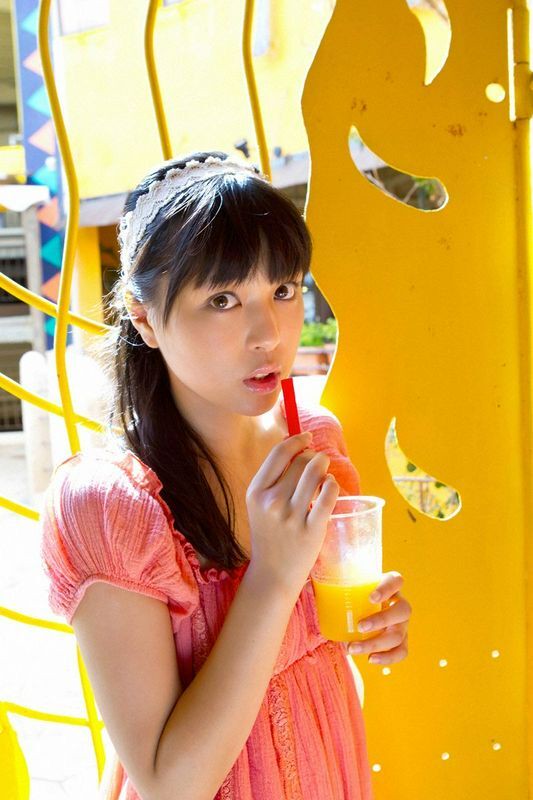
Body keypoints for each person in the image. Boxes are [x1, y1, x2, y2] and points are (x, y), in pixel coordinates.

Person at [40, 150, 412, 800]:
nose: (268, 333)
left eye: (284, 289)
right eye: (222, 299)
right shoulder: (112, 506)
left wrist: (374, 625)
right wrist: (272, 577)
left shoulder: (312, 444)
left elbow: (320, 643)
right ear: (144, 318)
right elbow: (168, 784)